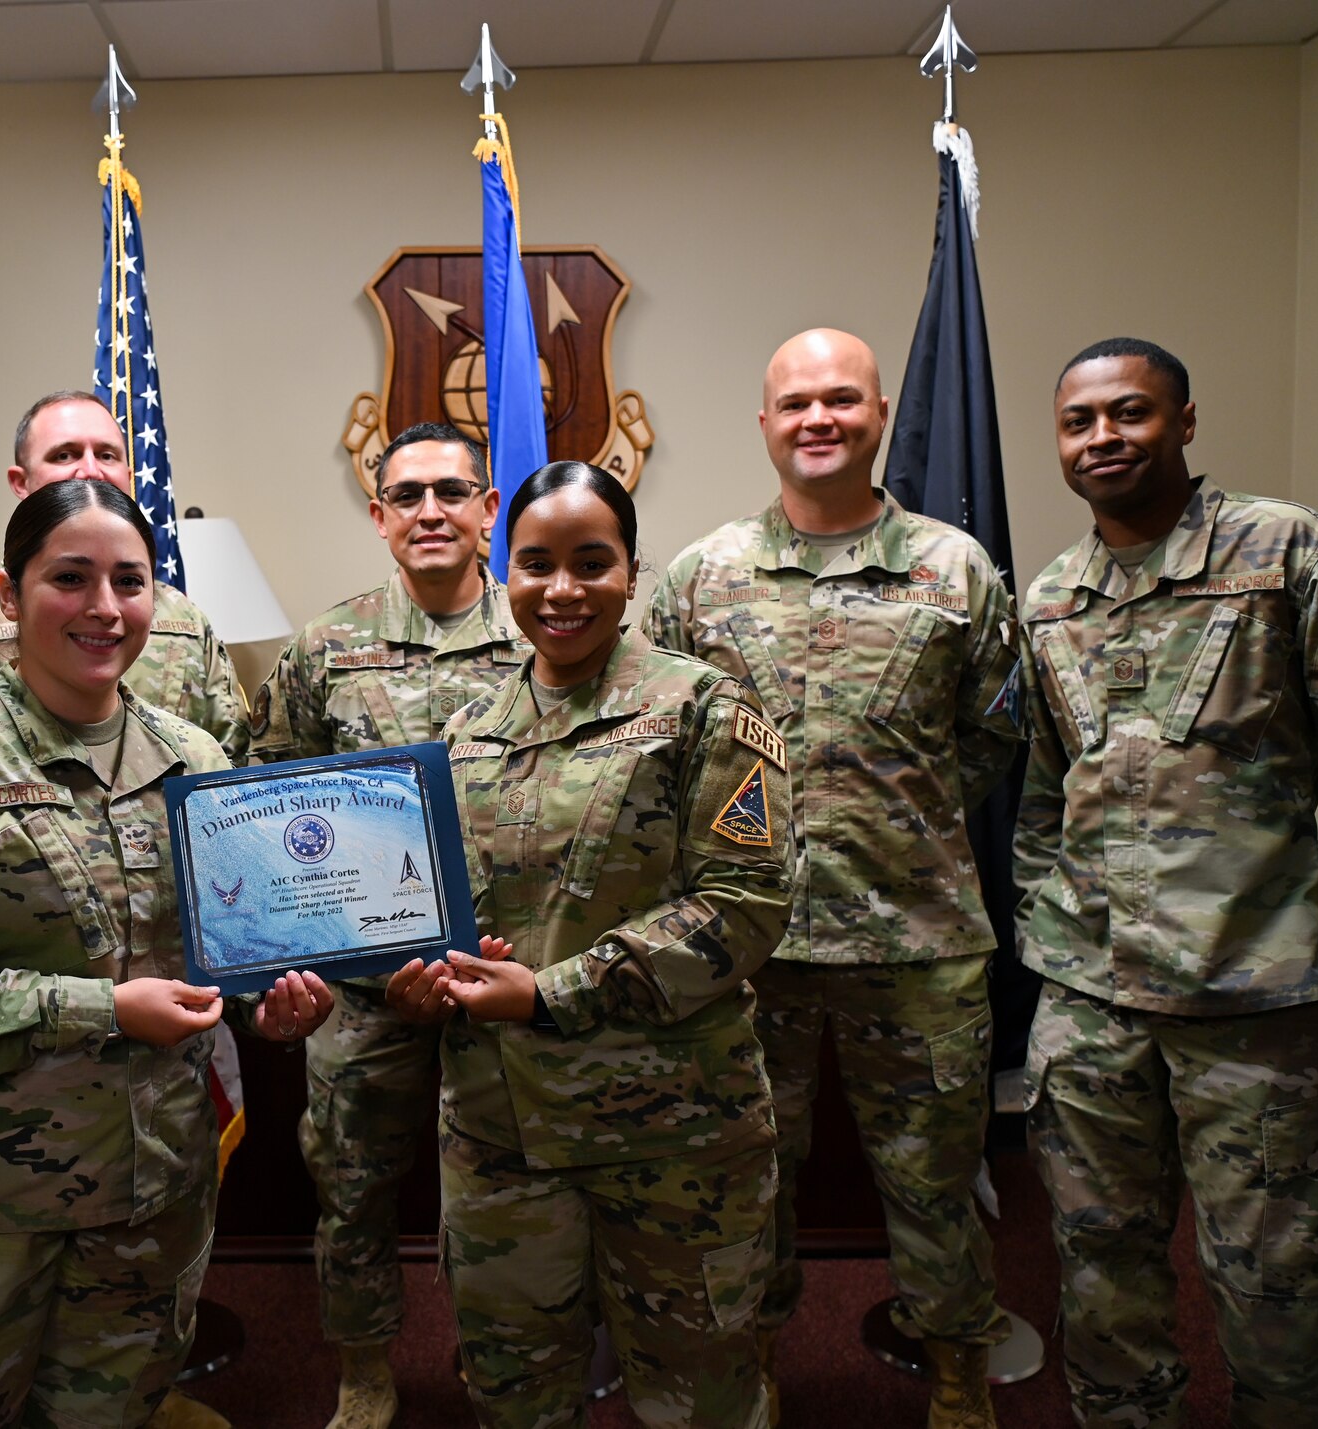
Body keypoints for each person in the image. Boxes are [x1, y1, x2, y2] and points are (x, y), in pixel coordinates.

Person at [1014, 338, 1318, 1428]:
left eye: (1129, 413)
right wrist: (1047, 936)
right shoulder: (1051, 597)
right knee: (1097, 1277)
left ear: (1183, 421)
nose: (1102, 438)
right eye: (1078, 422)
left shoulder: (1288, 552)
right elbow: (1039, 799)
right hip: (1088, 1011)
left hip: (1247, 1004)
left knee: (1280, 1287)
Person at [0, 478, 333, 1427]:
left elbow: (239, 959)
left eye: (129, 582)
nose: (105, 607)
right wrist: (105, 1009)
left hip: (147, 1205)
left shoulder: (197, 761)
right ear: (10, 597)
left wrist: (278, 1007)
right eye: (71, 577)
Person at [648, 329, 1022, 1428]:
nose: (818, 418)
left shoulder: (954, 568)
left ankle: (954, 1369)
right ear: (763, 424)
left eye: (841, 400)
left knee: (933, 1184)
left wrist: (892, 823)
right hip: (743, 954)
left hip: (914, 945)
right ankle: (752, 1361)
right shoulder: (698, 577)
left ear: (878, 415)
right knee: (741, 1180)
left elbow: (992, 736)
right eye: (796, 402)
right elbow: (662, 744)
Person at [389, 461, 794, 1429]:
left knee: (697, 1396)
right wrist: (413, 981)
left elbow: (743, 907)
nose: (560, 589)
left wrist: (548, 991)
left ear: (630, 570)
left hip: (672, 1134)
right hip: (499, 1137)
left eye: (589, 561)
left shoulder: (705, 710)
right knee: (514, 1392)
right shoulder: (462, 733)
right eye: (534, 563)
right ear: (501, 569)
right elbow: (432, 915)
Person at [247, 421, 528, 1429]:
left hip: (500, 984)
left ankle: (501, 1366)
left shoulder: (541, 633)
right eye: (406, 495)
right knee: (352, 1191)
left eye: (452, 491)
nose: (430, 511)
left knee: (501, 1197)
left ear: (489, 509)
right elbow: (275, 813)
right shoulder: (326, 649)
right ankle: (364, 1370)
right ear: (378, 516)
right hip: (366, 994)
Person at [0, 390, 245, 760]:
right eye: (65, 455)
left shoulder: (185, 620)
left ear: (128, 477)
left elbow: (227, 769)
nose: (90, 471)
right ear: (20, 481)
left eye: (106, 455)